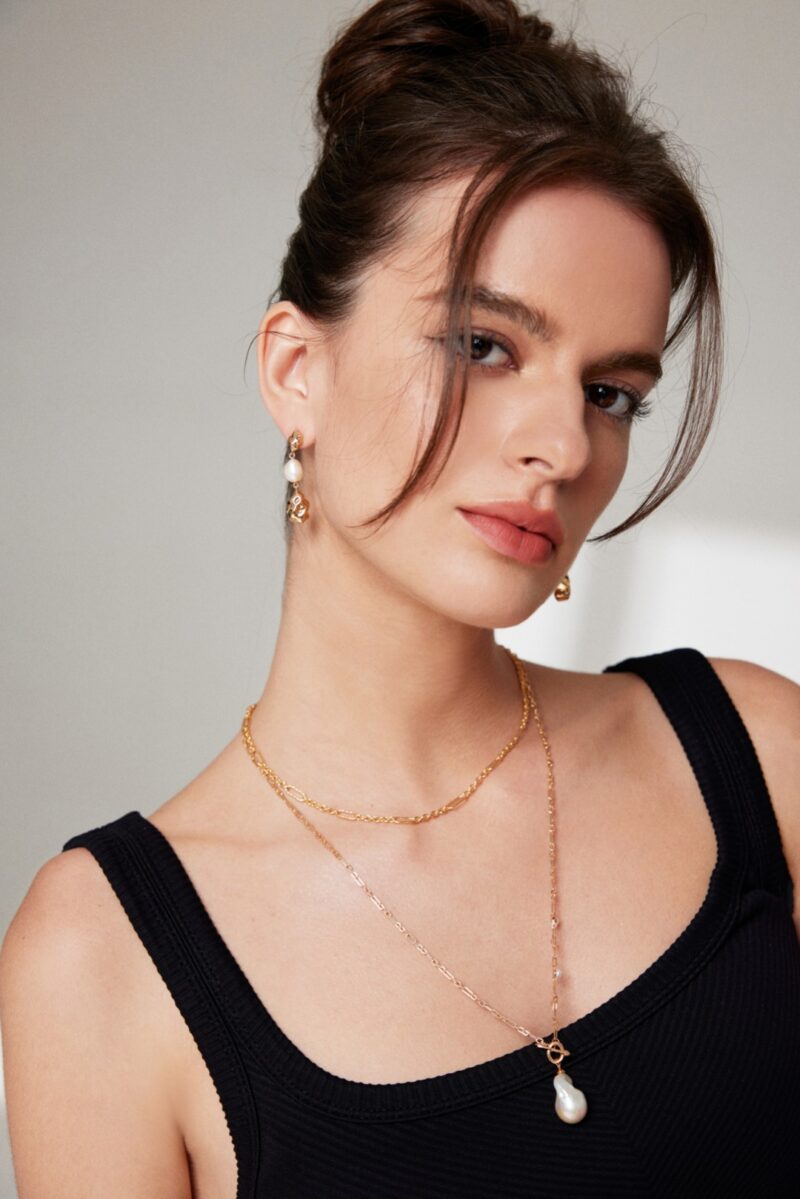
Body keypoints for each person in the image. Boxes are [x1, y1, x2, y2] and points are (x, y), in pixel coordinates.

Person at [2, 0, 798, 1195]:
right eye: (484, 345)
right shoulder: (103, 953)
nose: (561, 444)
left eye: (610, 391)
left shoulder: (757, 758)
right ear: (295, 371)